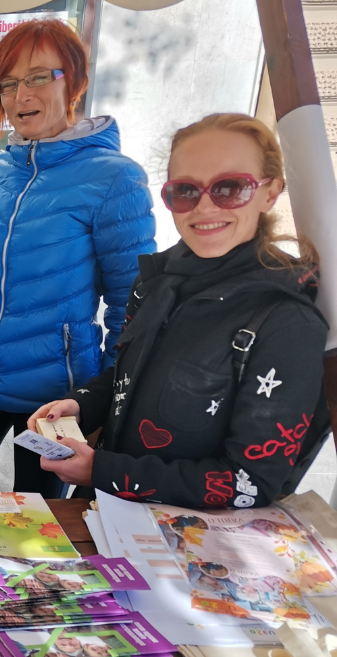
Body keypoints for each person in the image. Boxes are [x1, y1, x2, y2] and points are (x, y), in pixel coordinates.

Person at [29, 113, 327, 509]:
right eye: (185, 191)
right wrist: (81, 403)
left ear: (270, 192)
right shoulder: (156, 279)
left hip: (190, 551)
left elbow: (250, 483)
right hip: (103, 517)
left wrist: (102, 471)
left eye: (229, 188)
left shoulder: (287, 322)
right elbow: (127, 375)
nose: (204, 207)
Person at [0, 19, 156, 501]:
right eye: (8, 82)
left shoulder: (115, 180)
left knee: (41, 542)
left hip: (57, 400)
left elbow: (133, 308)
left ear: (76, 81)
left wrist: (102, 408)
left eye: (39, 76)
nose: (21, 93)